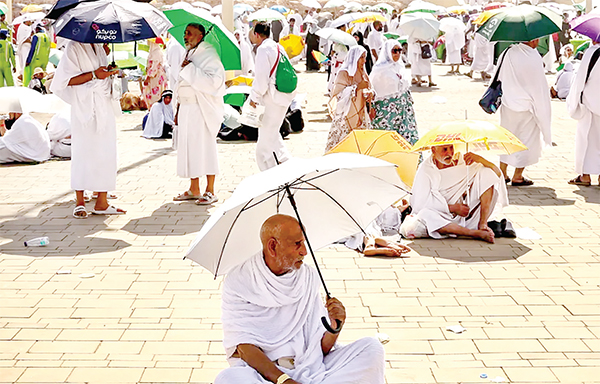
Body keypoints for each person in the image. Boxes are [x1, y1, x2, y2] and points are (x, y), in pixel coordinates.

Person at [214, 214, 386, 384]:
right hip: (265, 373)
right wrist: (284, 380)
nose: (304, 251)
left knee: (371, 348)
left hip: (312, 367)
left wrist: (335, 327)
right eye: (297, 244)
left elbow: (319, 348)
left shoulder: (308, 277)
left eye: (304, 242)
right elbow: (244, 347)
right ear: (272, 247)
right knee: (228, 379)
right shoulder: (239, 281)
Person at [51, 41, 125, 218]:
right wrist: (94, 74)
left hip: (104, 105)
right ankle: (80, 201)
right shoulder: (73, 47)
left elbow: (102, 75)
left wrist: (110, 70)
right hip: (84, 108)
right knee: (83, 152)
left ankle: (102, 201)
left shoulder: (99, 47)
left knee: (106, 152)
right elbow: (63, 81)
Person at [404, 144, 508, 244]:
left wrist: (480, 160)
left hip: (465, 214)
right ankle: (474, 233)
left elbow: (496, 174)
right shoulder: (426, 169)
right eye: (444, 149)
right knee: (425, 215)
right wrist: (452, 208)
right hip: (440, 214)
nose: (449, 153)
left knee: (487, 173)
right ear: (433, 150)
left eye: (451, 148)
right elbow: (420, 204)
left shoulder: (463, 161)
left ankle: (483, 224)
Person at [173, 23, 225, 205]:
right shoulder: (188, 53)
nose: (185, 36)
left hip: (201, 109)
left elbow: (215, 82)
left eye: (190, 34)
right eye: (185, 33)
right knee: (189, 149)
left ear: (201, 36)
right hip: (186, 108)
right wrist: (177, 109)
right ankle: (193, 187)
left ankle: (210, 189)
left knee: (205, 148)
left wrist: (190, 69)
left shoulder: (208, 54)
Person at [495, 40, 552, 186]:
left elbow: (498, 75)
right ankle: (518, 175)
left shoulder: (507, 52)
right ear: (531, 39)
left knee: (506, 137)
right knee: (526, 140)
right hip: (527, 106)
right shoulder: (533, 56)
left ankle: (502, 172)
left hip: (508, 103)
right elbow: (538, 84)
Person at [248, 22, 295, 171]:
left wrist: (253, 98)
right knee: (273, 136)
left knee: (264, 145)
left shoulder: (263, 50)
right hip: (284, 97)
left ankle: (269, 175)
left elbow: (261, 80)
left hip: (271, 99)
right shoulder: (278, 47)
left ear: (257, 34)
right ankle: (287, 165)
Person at [325, 46, 374, 152]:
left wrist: (370, 94)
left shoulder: (363, 73)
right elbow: (337, 94)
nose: (364, 61)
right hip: (346, 114)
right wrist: (356, 88)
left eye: (365, 57)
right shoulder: (344, 73)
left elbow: (369, 88)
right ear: (354, 58)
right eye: (361, 57)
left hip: (360, 113)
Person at [369, 40, 418, 145]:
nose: (398, 54)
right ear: (387, 51)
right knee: (386, 141)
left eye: (400, 50)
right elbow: (371, 90)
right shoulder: (379, 70)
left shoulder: (400, 67)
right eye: (394, 51)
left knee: (407, 140)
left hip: (404, 111)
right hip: (386, 113)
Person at [566, 40, 600, 186]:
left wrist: (573, 102)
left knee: (585, 140)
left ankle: (584, 175)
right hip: (591, 104)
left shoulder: (592, 52)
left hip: (590, 105)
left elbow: (579, 79)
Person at [141, 38, 168, 109]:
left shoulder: (156, 53)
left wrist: (148, 77)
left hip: (155, 78)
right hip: (156, 76)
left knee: (155, 95)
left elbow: (154, 68)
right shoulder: (154, 52)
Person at [165, 34, 186, 101]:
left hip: (177, 73)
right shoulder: (175, 43)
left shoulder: (173, 44)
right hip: (177, 73)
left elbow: (169, 60)